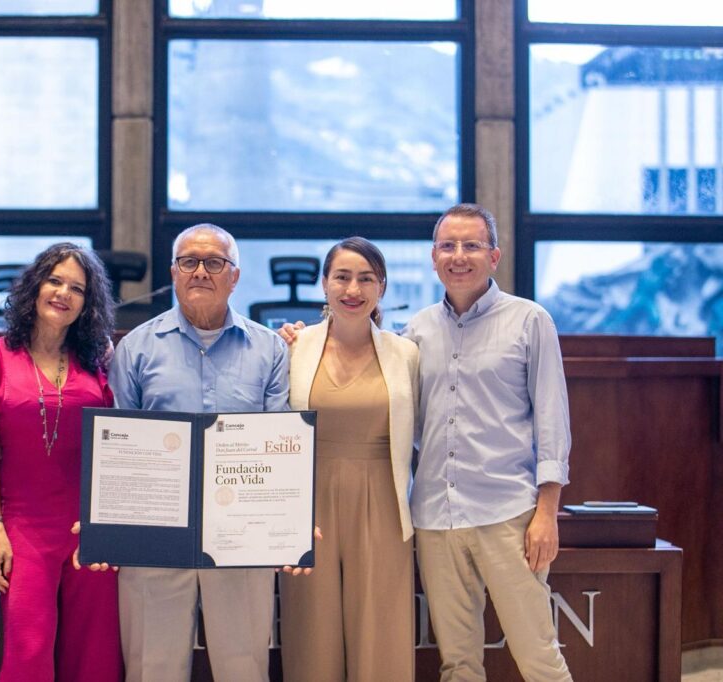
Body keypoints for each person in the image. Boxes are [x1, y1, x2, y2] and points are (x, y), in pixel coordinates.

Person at [107, 223, 289, 682]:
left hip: (242, 535)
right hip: (155, 534)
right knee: (152, 668)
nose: (201, 272)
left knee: (244, 668)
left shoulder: (269, 349)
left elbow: (279, 448)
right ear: (174, 272)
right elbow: (118, 448)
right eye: (189, 261)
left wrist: (285, 524)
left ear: (235, 276)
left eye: (214, 262)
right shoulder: (135, 348)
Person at [404, 203, 573, 681]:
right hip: (435, 518)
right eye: (448, 245)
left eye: (471, 245)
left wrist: (547, 513)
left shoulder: (529, 320)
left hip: (508, 514)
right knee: (458, 664)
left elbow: (553, 422)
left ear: (494, 256)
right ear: (433, 257)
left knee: (539, 657)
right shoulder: (415, 331)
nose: (458, 256)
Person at [0, 243, 123, 682]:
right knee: (28, 653)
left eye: (77, 288)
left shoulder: (99, 361)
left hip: (87, 529)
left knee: (94, 658)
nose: (63, 293)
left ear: (88, 303)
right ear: (35, 287)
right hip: (23, 529)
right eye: (55, 281)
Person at [278, 237, 419, 681]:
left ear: (382, 287)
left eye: (365, 279)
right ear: (324, 284)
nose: (353, 289)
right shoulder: (293, 348)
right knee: (310, 631)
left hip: (383, 499)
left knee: (381, 632)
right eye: (342, 277)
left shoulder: (406, 354)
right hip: (308, 502)